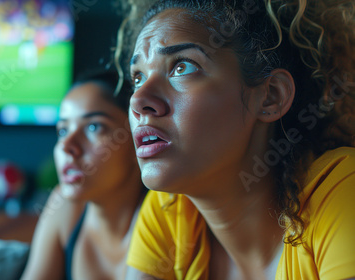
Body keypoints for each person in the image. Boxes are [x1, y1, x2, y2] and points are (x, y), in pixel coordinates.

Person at [113, 0, 355, 279]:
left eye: (182, 67)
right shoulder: (170, 211)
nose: (138, 100)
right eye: (138, 78)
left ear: (271, 96)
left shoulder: (341, 192)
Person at [21, 71, 145, 280]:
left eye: (94, 127)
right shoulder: (64, 207)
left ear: (137, 137)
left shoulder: (168, 215)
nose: (67, 146)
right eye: (63, 130)